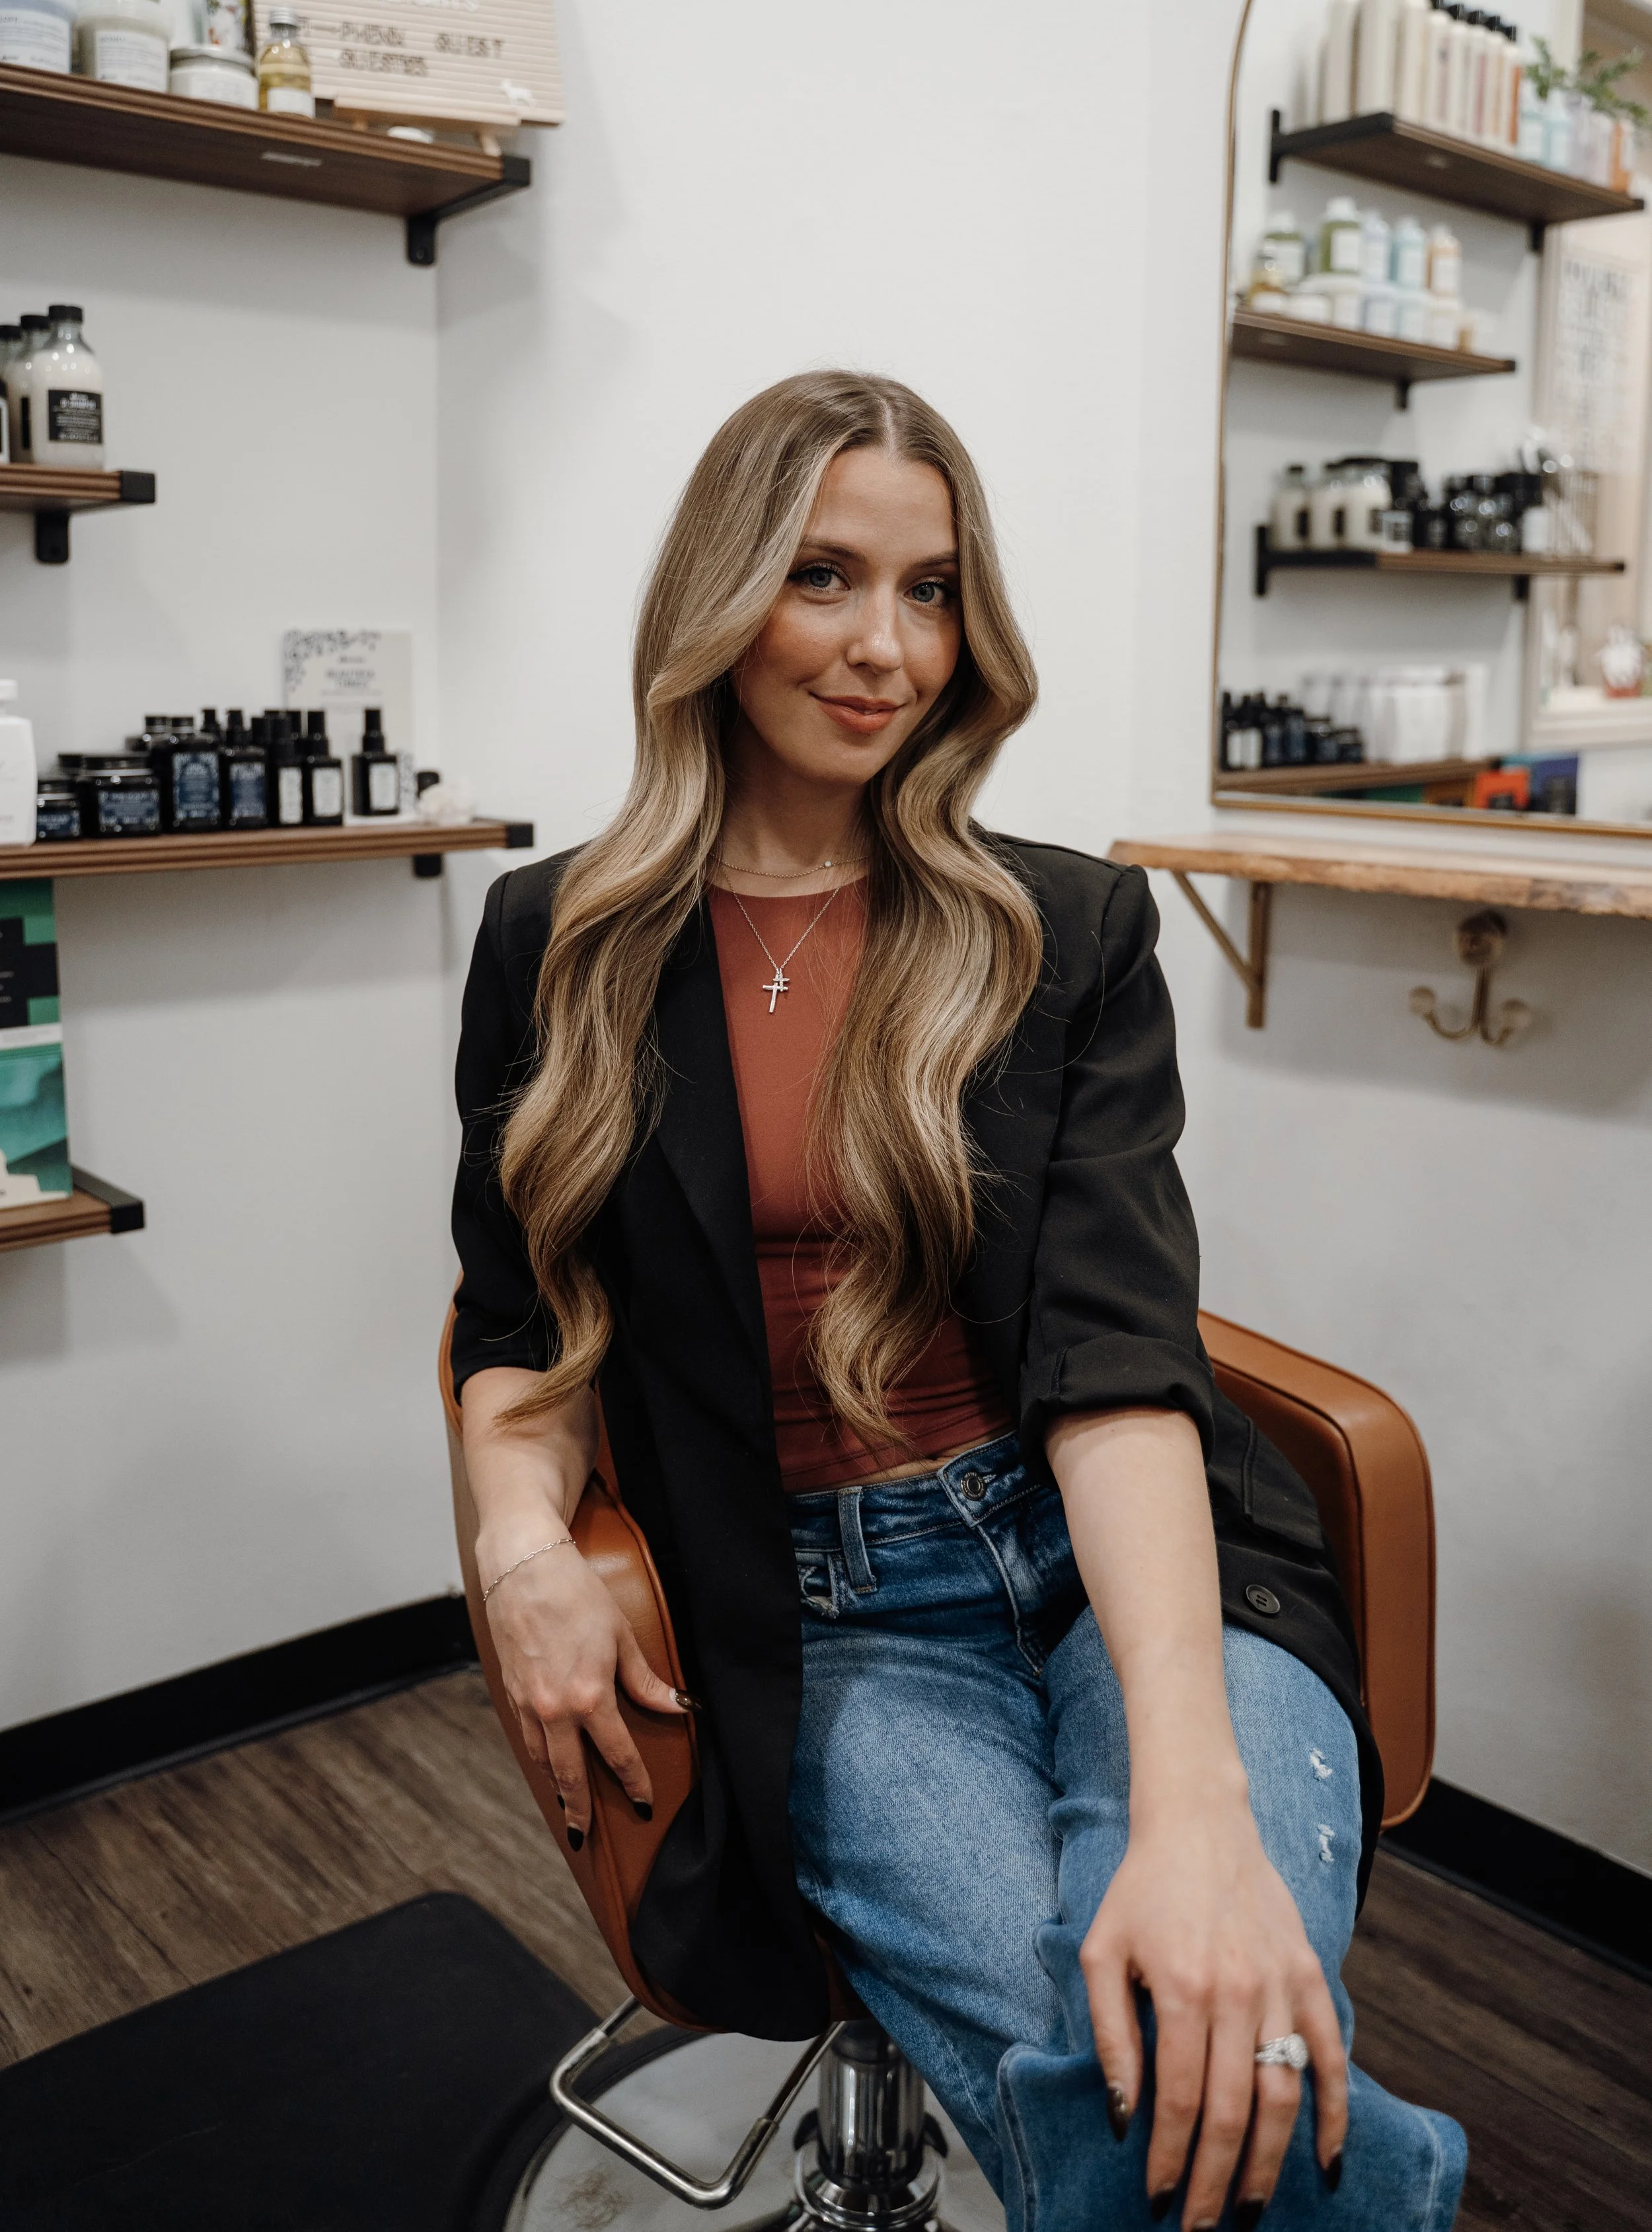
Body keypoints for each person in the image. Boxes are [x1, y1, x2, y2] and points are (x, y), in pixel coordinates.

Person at [451, 371, 1466, 2232]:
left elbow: (1109, 1364)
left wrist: (1188, 1803)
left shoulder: (1061, 927)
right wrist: (522, 1539)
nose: (884, 646)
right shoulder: (562, 937)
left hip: (1137, 1568)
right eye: (824, 575)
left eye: (931, 591)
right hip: (830, 1622)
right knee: (1175, 2086)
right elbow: (519, 1321)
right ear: (717, 597)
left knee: (1200, 2014)